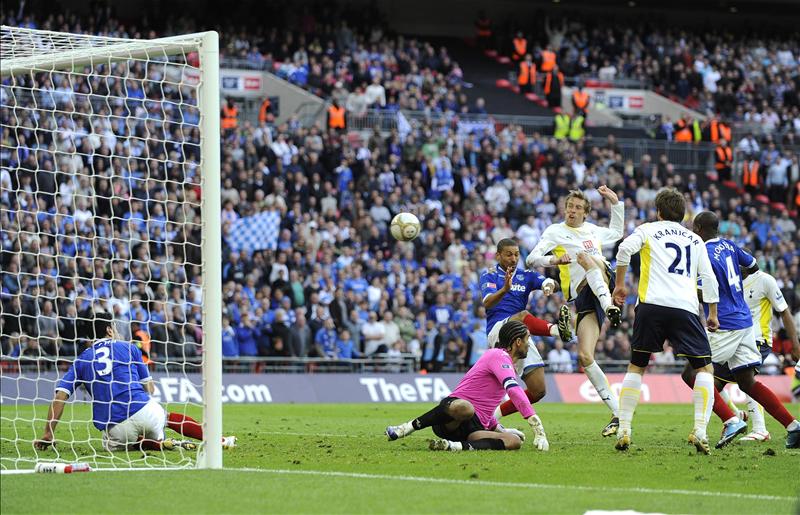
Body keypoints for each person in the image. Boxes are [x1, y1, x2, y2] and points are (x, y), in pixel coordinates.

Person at [612, 188, 721, 454]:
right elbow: (708, 279)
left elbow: (624, 249)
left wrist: (619, 286)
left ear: (658, 211)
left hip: (650, 305)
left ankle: (624, 428)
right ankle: (700, 430)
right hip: (684, 308)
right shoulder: (695, 241)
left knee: (637, 366)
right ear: (683, 214)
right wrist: (713, 313)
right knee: (704, 369)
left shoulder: (648, 229)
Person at [34, 313, 237, 452]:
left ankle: (161, 444)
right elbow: (150, 388)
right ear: (109, 330)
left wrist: (47, 433)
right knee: (166, 417)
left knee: (121, 443)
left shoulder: (81, 360)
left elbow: (60, 396)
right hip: (145, 411)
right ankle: (218, 440)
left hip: (116, 427)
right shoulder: (129, 348)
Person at [689, 211, 800, 449]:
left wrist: (690, 291)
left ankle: (732, 419)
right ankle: (793, 426)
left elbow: (706, 289)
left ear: (698, 228)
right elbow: (753, 265)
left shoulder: (703, 253)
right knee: (747, 382)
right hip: (745, 322)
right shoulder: (730, 245)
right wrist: (733, 286)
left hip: (726, 323)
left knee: (691, 373)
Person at [524, 187, 623, 436]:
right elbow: (531, 259)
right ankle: (618, 413)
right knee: (585, 357)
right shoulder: (555, 232)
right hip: (582, 296)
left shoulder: (592, 231)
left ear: (586, 213)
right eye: (570, 206)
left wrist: (616, 203)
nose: (572, 210)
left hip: (601, 278)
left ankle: (608, 306)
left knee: (588, 258)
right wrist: (553, 261)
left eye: (578, 207)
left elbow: (617, 232)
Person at [385, 320, 549, 452]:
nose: (529, 344)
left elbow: (485, 406)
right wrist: (536, 425)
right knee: (466, 408)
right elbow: (514, 391)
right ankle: (406, 428)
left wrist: (499, 429)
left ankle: (454, 446)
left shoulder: (507, 364)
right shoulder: (497, 355)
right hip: (451, 417)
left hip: (473, 428)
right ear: (518, 342)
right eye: (528, 339)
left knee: (513, 442)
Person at [481, 238, 572, 416]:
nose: (513, 258)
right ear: (498, 255)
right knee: (523, 315)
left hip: (520, 334)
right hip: (498, 330)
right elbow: (487, 303)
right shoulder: (489, 274)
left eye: (516, 254)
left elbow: (547, 282)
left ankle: (494, 416)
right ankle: (557, 330)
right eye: (508, 255)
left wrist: (548, 286)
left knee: (538, 391)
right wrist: (504, 289)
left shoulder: (526, 275)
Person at [723, 265, 800, 442]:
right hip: (735, 340)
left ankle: (760, 429)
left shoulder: (765, 280)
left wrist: (795, 344)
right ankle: (736, 417)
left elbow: (784, 311)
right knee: (709, 379)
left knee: (746, 379)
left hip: (760, 339)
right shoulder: (731, 282)